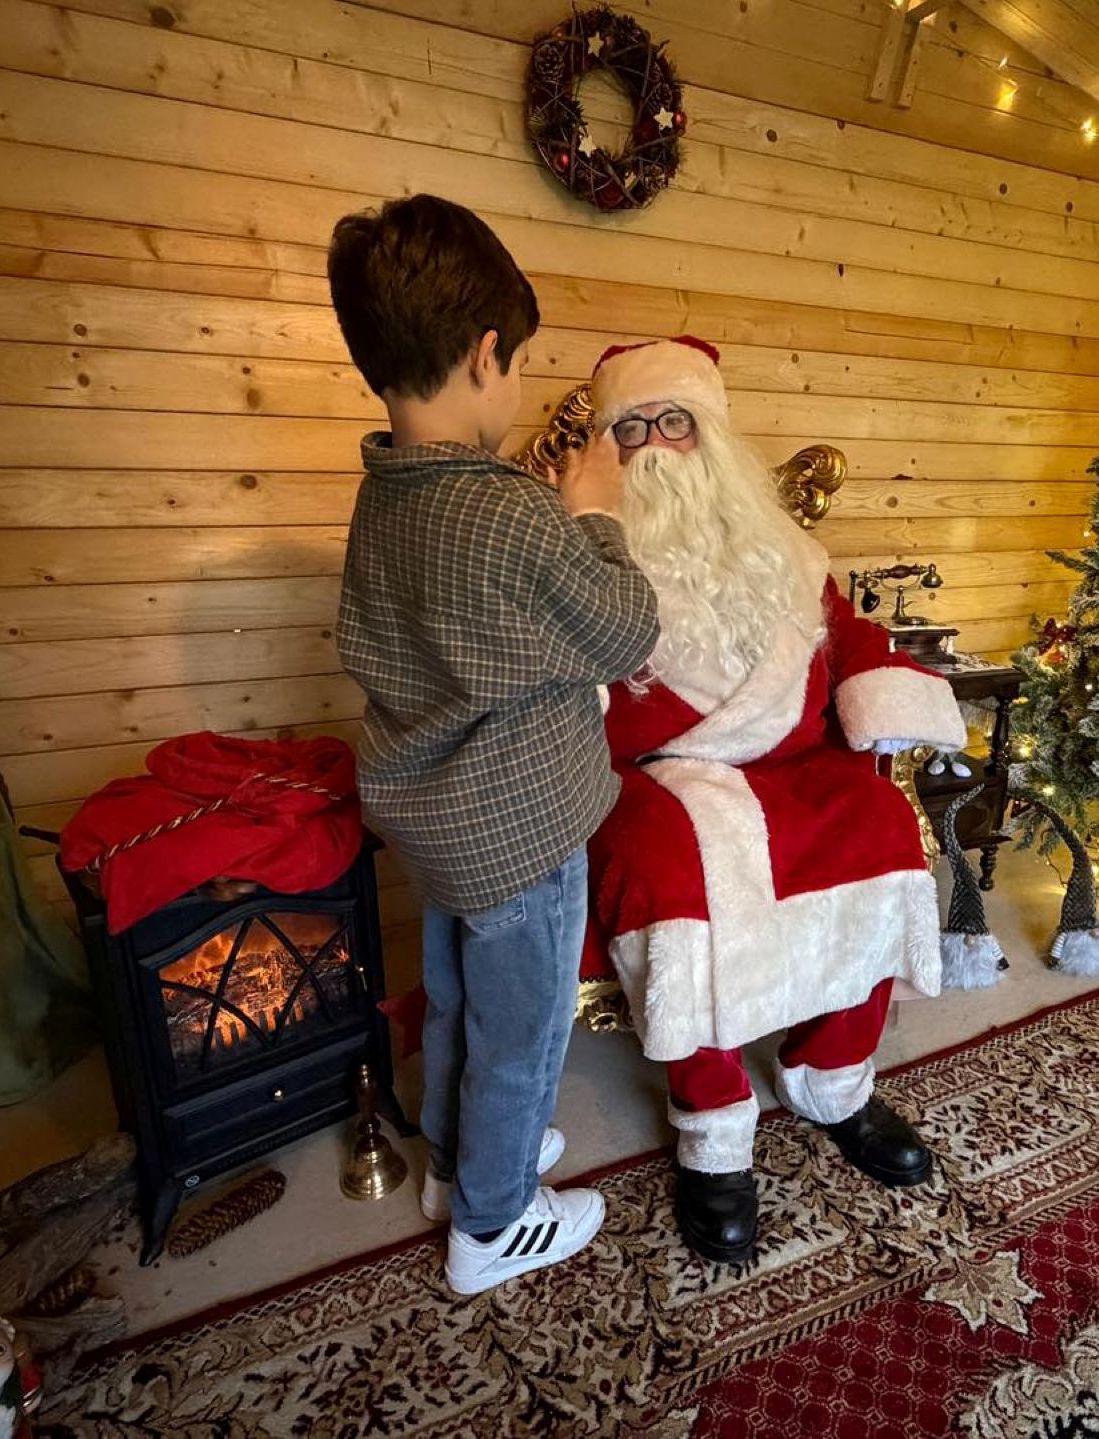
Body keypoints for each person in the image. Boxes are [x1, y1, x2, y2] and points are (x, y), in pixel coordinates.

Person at [329, 196, 659, 1294]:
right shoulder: (512, 513)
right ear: (482, 356)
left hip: (438, 824)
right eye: (514, 362)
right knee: (523, 1030)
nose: (515, 381)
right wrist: (595, 514)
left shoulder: (382, 495)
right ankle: (492, 1218)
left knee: (461, 994)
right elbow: (623, 631)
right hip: (522, 829)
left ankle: (453, 1160)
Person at [584, 336, 967, 1264]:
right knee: (672, 865)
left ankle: (832, 1076)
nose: (656, 447)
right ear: (608, 449)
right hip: (666, 775)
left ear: (711, 433)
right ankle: (713, 1123)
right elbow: (566, 675)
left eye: (674, 421)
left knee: (879, 822)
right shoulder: (589, 557)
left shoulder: (786, 554)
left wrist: (885, 697)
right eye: (630, 429)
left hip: (793, 764)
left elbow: (848, 637)